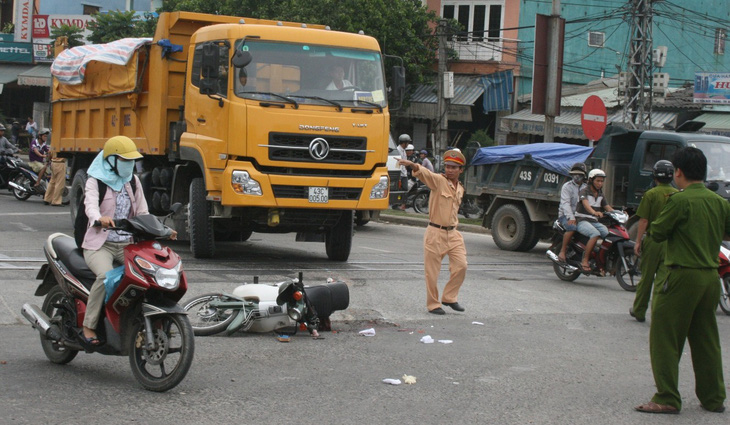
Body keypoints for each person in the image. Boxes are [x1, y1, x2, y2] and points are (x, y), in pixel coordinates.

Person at [635, 147, 729, 415]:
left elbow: (660, 232)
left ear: (678, 172)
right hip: (710, 277)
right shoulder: (719, 202)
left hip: (680, 275)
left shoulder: (679, 201)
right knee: (706, 339)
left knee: (665, 337)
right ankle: (713, 398)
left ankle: (667, 396)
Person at [80, 136, 176, 344]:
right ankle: (89, 326)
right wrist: (99, 219)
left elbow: (142, 212)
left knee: (150, 275)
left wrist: (163, 230)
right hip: (100, 245)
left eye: (131, 161)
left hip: (128, 245)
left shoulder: (132, 181)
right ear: (111, 160)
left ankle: (146, 321)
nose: (129, 165)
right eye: (125, 160)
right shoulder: (94, 180)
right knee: (104, 277)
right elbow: (90, 207)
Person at [397, 149, 468, 315]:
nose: (449, 170)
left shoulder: (460, 188)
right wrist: (413, 165)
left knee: (461, 266)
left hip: (454, 233)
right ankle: (433, 304)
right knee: (432, 273)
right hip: (435, 232)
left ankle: (449, 298)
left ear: (461, 170)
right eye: (447, 166)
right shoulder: (439, 181)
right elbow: (425, 174)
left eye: (454, 167)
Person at [629, 160, 678, 322]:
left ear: (655, 175)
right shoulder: (677, 195)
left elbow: (643, 221)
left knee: (647, 278)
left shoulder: (650, 194)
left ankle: (639, 310)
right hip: (670, 243)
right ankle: (658, 313)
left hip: (653, 241)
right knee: (662, 280)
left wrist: (637, 241)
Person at [575, 169, 614, 272]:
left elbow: (608, 207)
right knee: (595, 233)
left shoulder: (600, 193)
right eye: (598, 181)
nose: (600, 183)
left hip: (593, 221)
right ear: (591, 180)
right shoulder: (584, 191)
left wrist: (620, 213)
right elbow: (586, 204)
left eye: (602, 181)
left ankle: (599, 258)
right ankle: (585, 259)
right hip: (581, 220)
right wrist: (593, 212)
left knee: (608, 234)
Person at [557, 162, 587, 262]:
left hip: (581, 216)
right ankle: (562, 251)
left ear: (584, 176)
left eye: (579, 175)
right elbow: (566, 204)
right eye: (575, 174)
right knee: (572, 227)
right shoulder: (567, 186)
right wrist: (571, 218)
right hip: (566, 215)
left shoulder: (587, 188)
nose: (577, 177)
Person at [396, 134, 410, 210]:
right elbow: (398, 164)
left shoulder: (403, 151)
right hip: (400, 173)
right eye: (407, 142)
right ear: (404, 142)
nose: (408, 144)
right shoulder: (398, 150)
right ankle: (399, 205)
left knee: (404, 189)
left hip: (404, 173)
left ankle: (401, 205)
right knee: (403, 189)